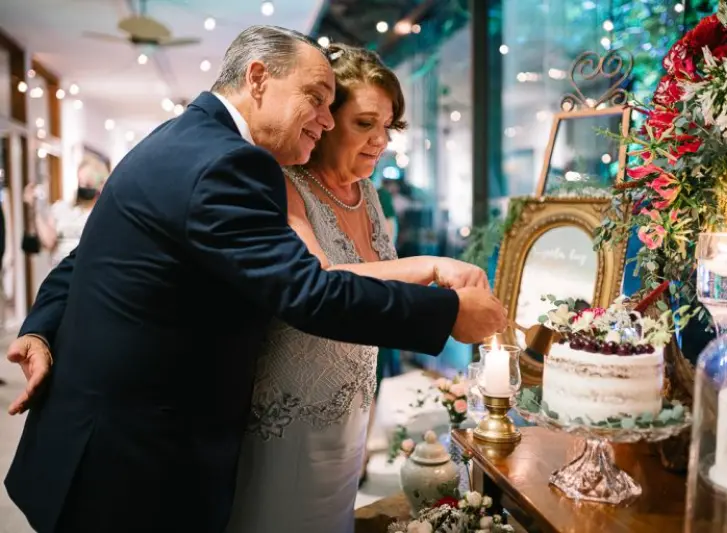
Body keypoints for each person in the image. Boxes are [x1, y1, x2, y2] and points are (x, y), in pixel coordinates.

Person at [4, 26, 507, 533]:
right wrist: (449, 314)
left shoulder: (178, 137)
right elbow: (309, 292)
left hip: (101, 443)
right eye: (316, 98)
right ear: (259, 78)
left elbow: (82, 257)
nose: (325, 120)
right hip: (134, 464)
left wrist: (39, 327)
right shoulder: (230, 163)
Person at [225, 44, 488, 532]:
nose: (381, 140)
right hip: (291, 413)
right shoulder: (283, 184)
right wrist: (431, 269)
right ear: (324, 120)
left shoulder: (367, 192)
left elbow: (376, 278)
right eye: (365, 123)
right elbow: (319, 276)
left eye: (387, 126)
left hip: (351, 413)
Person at [23, 161, 105, 267]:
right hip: (60, 271)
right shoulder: (61, 208)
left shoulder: (103, 213)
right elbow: (49, 242)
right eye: (80, 182)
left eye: (88, 184)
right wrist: (33, 208)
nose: (83, 186)